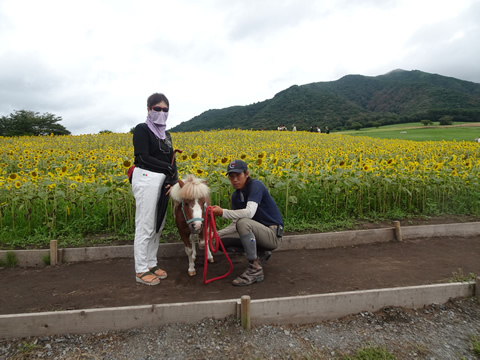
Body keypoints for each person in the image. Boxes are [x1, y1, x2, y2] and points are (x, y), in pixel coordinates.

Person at [211, 160, 284, 286]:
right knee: (217, 241)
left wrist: (222, 212)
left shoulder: (256, 186)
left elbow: (249, 213)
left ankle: (254, 270)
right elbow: (235, 225)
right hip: (256, 234)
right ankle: (261, 253)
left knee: (244, 222)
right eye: (231, 176)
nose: (235, 180)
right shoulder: (236, 196)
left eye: (238, 175)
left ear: (247, 174)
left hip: (271, 234)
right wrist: (215, 234)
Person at [131, 93, 178, 286]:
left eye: (165, 109)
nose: (161, 112)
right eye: (157, 109)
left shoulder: (166, 135)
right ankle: (141, 269)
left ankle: (152, 263)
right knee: (145, 224)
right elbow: (142, 157)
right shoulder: (142, 129)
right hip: (146, 179)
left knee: (158, 224)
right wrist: (167, 169)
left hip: (163, 183)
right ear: (148, 109)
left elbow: (172, 161)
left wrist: (172, 179)